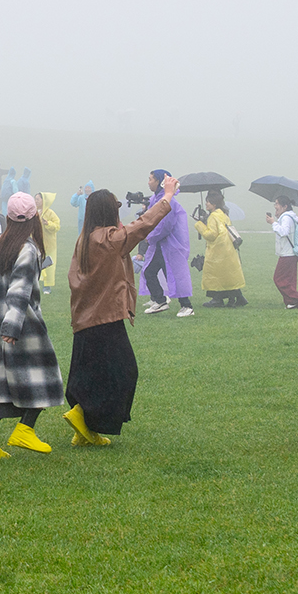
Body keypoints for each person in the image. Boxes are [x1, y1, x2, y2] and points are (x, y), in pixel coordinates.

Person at [60, 182, 175, 445]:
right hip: (105, 318)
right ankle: (84, 416)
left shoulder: (85, 239)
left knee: (93, 373)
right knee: (124, 372)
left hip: (84, 319)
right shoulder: (111, 239)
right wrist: (167, 197)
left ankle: (87, 431)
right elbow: (143, 225)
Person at [0, 192, 61, 457]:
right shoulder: (28, 249)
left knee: (0, 383)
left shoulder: (0, 242)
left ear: (8, 217)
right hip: (22, 326)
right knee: (42, 377)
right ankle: (25, 430)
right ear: (34, 218)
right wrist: (13, 327)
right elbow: (19, 290)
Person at [139, 170, 195, 316]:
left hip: (170, 245)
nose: (149, 182)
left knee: (173, 273)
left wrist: (150, 237)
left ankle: (186, 306)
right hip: (161, 245)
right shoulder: (156, 199)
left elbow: (165, 226)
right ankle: (161, 301)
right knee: (152, 271)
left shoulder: (169, 202)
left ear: (159, 181)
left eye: (151, 179)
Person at [196, 191, 246, 306]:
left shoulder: (213, 216)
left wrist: (200, 225)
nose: (206, 204)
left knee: (215, 275)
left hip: (217, 251)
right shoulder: (224, 215)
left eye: (208, 202)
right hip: (228, 250)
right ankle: (236, 297)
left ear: (214, 204)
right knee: (228, 275)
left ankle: (216, 299)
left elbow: (211, 235)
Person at [270, 197, 298, 308]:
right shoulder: (289, 217)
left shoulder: (286, 217)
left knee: (278, 278)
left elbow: (283, 232)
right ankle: (291, 302)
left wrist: (273, 223)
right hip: (291, 253)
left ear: (285, 206)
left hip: (288, 253)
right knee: (289, 279)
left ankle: (294, 299)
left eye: (277, 204)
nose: (275, 206)